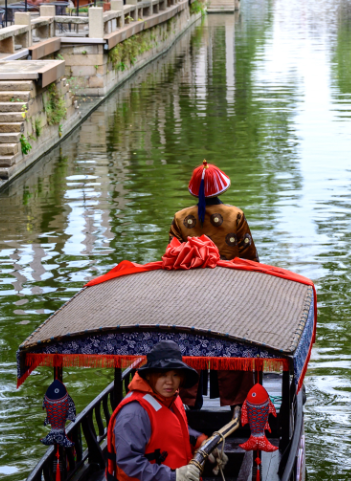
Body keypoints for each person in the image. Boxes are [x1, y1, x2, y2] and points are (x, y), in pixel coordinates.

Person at [169, 160, 258, 409]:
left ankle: (187, 402)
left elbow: (172, 259)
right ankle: (237, 404)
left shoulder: (180, 218)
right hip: (229, 295)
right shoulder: (236, 216)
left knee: (188, 341)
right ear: (221, 189)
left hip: (189, 297)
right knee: (234, 343)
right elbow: (250, 260)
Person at [105, 341, 228, 481]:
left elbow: (175, 430)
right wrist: (173, 476)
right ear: (149, 376)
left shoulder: (170, 398)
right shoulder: (133, 413)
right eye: (162, 374)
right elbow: (129, 464)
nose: (170, 382)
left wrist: (203, 443)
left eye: (175, 375)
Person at [169, 160, 259, 263]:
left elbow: (173, 253)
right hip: (229, 273)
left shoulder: (180, 217)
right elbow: (248, 254)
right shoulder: (235, 215)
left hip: (191, 275)